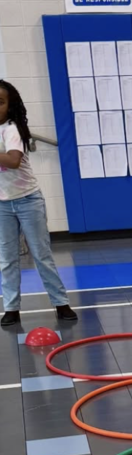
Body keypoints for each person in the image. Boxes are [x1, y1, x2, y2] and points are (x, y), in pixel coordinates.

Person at [0, 80, 77, 327]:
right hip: (2, 205)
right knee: (7, 258)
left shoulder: (12, 129)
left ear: (10, 106)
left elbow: (13, 161)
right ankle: (11, 308)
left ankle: (61, 303)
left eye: (0, 102)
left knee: (41, 254)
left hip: (27, 200)